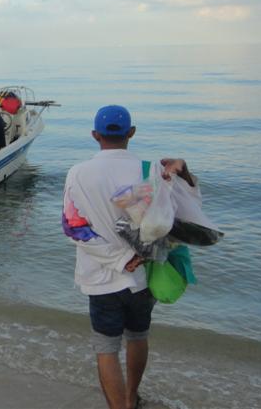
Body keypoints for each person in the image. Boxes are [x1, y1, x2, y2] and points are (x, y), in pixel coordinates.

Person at [61, 105, 199, 409]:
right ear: (131, 133)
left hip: (100, 277)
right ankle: (131, 396)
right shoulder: (150, 170)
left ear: (95, 135)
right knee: (138, 336)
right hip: (143, 275)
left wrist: (116, 260)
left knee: (106, 348)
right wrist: (183, 170)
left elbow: (72, 227)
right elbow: (189, 210)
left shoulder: (78, 173)